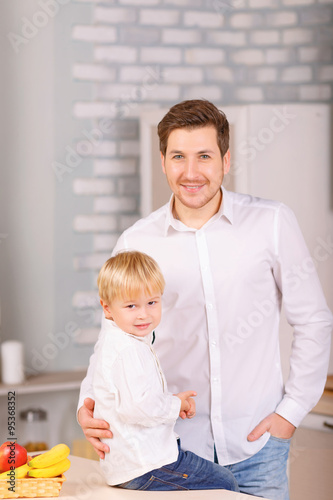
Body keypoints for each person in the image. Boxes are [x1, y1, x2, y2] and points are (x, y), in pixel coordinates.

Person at [78, 99, 332, 500]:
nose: (191, 172)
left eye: (204, 156)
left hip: (257, 447)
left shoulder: (272, 223)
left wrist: (291, 413)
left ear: (226, 160)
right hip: (169, 455)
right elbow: (111, 339)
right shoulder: (135, 241)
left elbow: (314, 320)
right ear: (163, 161)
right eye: (178, 156)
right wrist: (85, 404)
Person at [89, 250, 239, 492]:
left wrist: (173, 402)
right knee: (225, 482)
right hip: (146, 465)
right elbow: (138, 408)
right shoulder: (128, 349)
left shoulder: (125, 340)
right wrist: (175, 405)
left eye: (152, 302)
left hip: (133, 464)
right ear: (107, 308)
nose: (143, 314)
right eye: (131, 305)